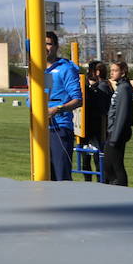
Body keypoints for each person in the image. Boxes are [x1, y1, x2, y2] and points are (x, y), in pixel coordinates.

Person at [44, 31, 82, 181]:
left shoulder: (66, 69)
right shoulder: (40, 70)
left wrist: (57, 109)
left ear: (56, 46)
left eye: (48, 43)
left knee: (61, 175)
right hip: (41, 128)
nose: (45, 48)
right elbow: (42, 97)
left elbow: (78, 100)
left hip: (60, 128)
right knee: (44, 176)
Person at [104, 60, 133, 186]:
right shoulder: (120, 87)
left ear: (123, 73)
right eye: (111, 70)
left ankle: (122, 190)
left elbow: (122, 115)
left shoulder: (124, 89)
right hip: (113, 132)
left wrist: (114, 137)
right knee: (108, 164)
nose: (112, 73)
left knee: (116, 165)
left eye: (115, 70)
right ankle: (114, 187)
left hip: (117, 134)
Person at [79, 60, 110, 181]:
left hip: (95, 130)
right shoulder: (100, 86)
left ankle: (98, 183)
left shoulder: (101, 87)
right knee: (88, 161)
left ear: (96, 72)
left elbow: (98, 108)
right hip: (91, 130)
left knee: (96, 161)